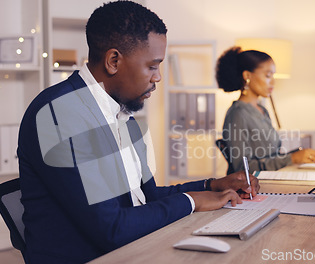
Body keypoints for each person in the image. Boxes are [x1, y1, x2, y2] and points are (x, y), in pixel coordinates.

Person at [18, 2, 259, 263]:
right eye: (152, 66)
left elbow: (145, 198)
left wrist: (210, 186)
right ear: (113, 61)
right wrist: (192, 201)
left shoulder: (121, 113)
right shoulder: (60, 114)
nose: (158, 78)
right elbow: (112, 228)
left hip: (133, 249)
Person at [216, 46, 315, 174]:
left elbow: (271, 156)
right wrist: (291, 158)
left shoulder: (261, 110)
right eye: (268, 75)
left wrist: (306, 155)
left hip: (270, 179)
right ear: (247, 76)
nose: (273, 82)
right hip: (251, 189)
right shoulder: (237, 115)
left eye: (273, 75)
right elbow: (242, 169)